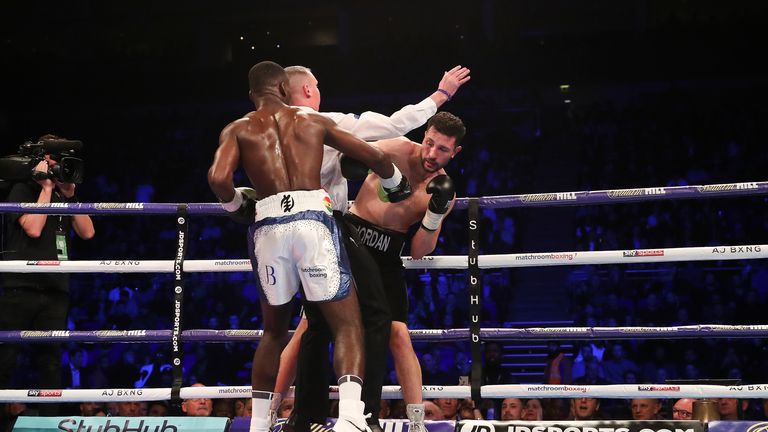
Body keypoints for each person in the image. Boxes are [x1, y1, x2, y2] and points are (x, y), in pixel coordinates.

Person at [207, 60, 410, 432]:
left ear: (252, 95)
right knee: (348, 324)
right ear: (285, 89)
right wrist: (397, 184)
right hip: (312, 219)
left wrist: (237, 206)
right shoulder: (311, 121)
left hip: (266, 224)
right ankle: (350, 418)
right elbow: (376, 156)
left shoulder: (237, 129)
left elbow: (218, 177)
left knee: (273, 332)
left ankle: (257, 424)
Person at [278, 64, 470, 432]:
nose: (431, 152)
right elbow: (363, 150)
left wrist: (433, 216)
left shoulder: (443, 187)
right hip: (349, 234)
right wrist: (440, 94)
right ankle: (283, 412)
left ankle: (412, 423)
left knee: (393, 331)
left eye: (442, 149)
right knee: (311, 326)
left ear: (454, 153)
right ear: (425, 135)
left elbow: (419, 250)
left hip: (384, 255)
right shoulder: (395, 147)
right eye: (429, 142)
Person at [0, 136, 95, 416]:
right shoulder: (21, 189)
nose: (58, 167)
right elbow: (33, 228)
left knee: (51, 361)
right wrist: (45, 188)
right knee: (6, 357)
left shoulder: (62, 195)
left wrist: (69, 195)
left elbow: (88, 232)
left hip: (55, 287)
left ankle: (50, 420)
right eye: (55, 162)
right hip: (22, 285)